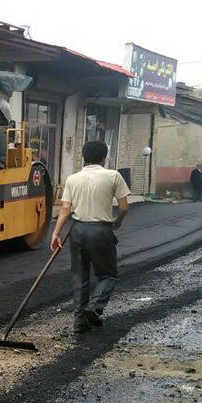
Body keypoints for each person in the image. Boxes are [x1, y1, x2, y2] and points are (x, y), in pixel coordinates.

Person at [50, 140, 130, 333]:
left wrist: (55, 234)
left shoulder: (72, 179)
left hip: (77, 230)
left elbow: (65, 209)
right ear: (104, 157)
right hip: (101, 230)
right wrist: (117, 221)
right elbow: (124, 207)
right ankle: (94, 309)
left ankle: (79, 321)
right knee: (108, 274)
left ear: (83, 157)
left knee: (80, 277)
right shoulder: (113, 176)